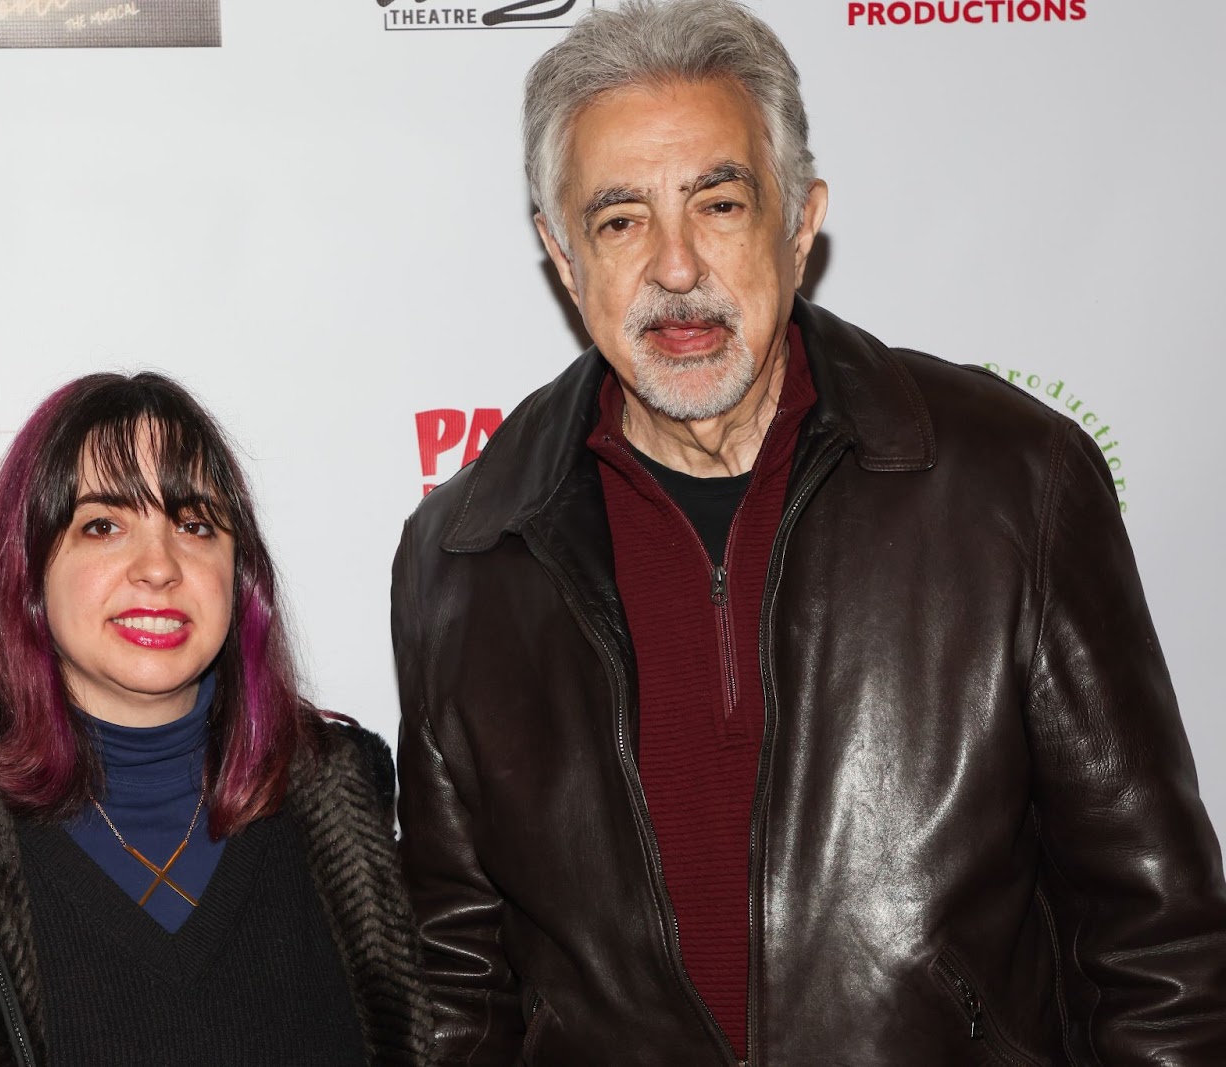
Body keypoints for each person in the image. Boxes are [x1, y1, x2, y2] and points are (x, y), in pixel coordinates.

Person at [389, 2, 1226, 1064]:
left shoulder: (1014, 482)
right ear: (562, 257)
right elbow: (456, 987)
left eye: (720, 201)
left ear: (799, 222)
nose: (676, 265)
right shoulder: (461, 555)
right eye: (619, 219)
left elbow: (1160, 946)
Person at [0, 371, 433, 1066]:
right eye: (103, 524)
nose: (158, 566)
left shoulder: (331, 796)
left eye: (194, 524)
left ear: (240, 575)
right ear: (27, 568)